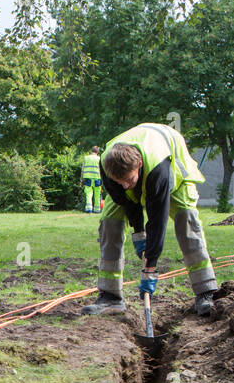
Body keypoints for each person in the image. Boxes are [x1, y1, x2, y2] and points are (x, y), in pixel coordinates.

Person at [81, 122, 218, 318]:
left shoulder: (158, 170)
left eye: (130, 180)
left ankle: (206, 292)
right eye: (121, 182)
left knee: (187, 223)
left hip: (175, 174)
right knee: (109, 223)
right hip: (136, 172)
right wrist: (138, 234)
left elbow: (157, 220)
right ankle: (110, 297)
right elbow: (127, 201)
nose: (126, 186)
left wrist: (150, 268)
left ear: (139, 165)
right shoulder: (108, 166)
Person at [81, 145, 103, 214]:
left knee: (88, 194)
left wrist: (81, 180)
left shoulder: (86, 158)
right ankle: (97, 210)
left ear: (91, 151)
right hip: (97, 178)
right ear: (97, 152)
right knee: (97, 194)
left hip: (88, 178)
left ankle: (89, 209)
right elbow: (102, 170)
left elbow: (82, 169)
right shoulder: (99, 159)